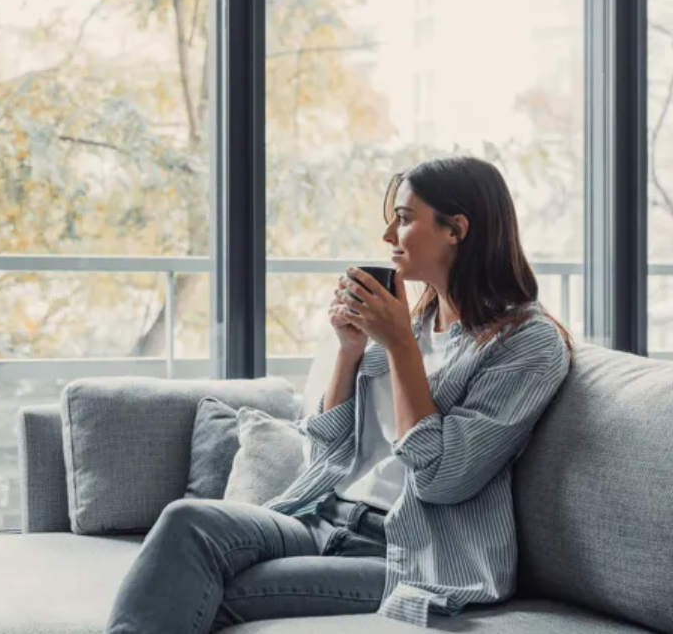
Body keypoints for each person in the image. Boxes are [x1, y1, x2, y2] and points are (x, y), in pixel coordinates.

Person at [105, 156, 573, 633]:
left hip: (406, 553)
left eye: (405, 219)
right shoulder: (410, 323)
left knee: (197, 592)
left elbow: (442, 478)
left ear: (455, 229)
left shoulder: (525, 343)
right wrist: (349, 352)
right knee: (187, 521)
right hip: (320, 517)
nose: (389, 236)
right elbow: (326, 451)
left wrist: (399, 347)